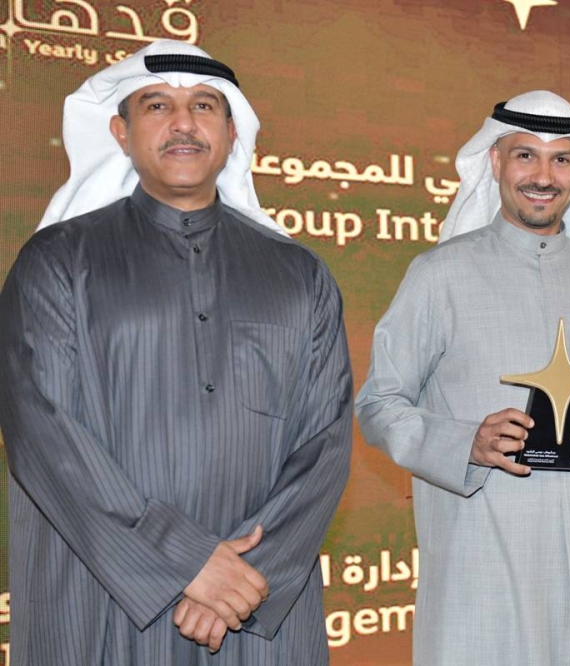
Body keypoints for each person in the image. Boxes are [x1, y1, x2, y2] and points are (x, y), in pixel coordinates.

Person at [0, 40, 352, 664]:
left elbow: (324, 442)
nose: (184, 122)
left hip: (256, 603)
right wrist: (187, 562)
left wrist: (242, 580)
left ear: (232, 132)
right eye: (158, 105)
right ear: (121, 132)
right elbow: (43, 435)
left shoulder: (299, 273)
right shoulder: (56, 261)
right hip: (100, 595)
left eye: (205, 106)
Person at [356, 90, 570, 665]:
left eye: (561, 158)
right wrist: (466, 443)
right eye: (526, 156)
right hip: (481, 565)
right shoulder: (440, 273)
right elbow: (379, 403)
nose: (543, 176)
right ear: (495, 161)